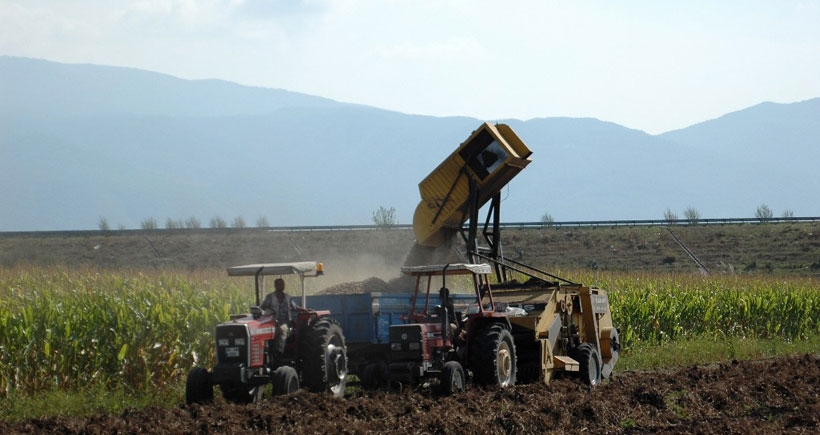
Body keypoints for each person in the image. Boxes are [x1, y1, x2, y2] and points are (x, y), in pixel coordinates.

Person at [261, 278, 293, 357]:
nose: (282, 286)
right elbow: (263, 307)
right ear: (275, 286)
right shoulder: (270, 297)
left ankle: (279, 352)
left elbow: (294, 306)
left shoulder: (287, 297)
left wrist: (305, 309)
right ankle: (268, 351)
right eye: (279, 284)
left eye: (283, 284)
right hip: (272, 321)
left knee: (282, 329)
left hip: (284, 322)